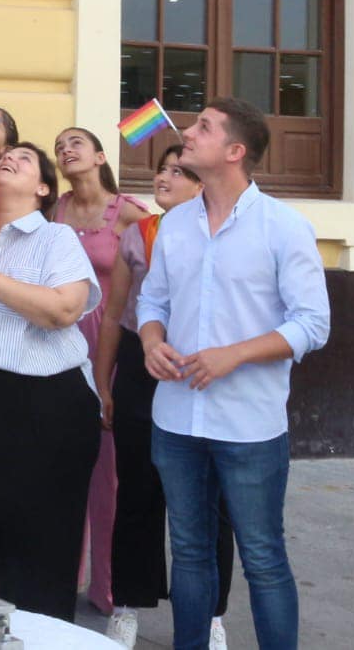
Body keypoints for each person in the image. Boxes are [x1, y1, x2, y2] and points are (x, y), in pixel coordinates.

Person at [137, 99, 330, 650]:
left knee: (263, 557)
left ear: (235, 151)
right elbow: (153, 300)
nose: (188, 132)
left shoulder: (284, 227)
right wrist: (151, 341)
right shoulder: (175, 224)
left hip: (249, 425)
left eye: (204, 127)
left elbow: (313, 324)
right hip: (176, 418)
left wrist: (234, 354)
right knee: (189, 554)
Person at [95, 143, 234, 650]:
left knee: (211, 497)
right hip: (142, 362)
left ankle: (211, 613)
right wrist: (104, 381)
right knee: (138, 489)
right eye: (161, 170)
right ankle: (127, 605)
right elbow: (114, 314)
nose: (164, 178)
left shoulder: (225, 233)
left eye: (179, 171)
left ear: (201, 184)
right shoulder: (140, 233)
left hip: (204, 363)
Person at [0, 140, 102, 620]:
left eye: (24, 159)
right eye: (5, 157)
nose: (9, 158)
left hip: (47, 401)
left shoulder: (55, 238)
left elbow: (64, 309)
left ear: (44, 189)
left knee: (43, 541)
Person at [53, 126, 148, 617]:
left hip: (107, 346)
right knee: (63, 462)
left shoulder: (128, 213)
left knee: (107, 473)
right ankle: (63, 572)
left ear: (99, 156)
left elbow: (161, 268)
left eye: (76, 143)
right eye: (59, 146)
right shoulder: (53, 211)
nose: (66, 150)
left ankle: (108, 586)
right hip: (57, 343)